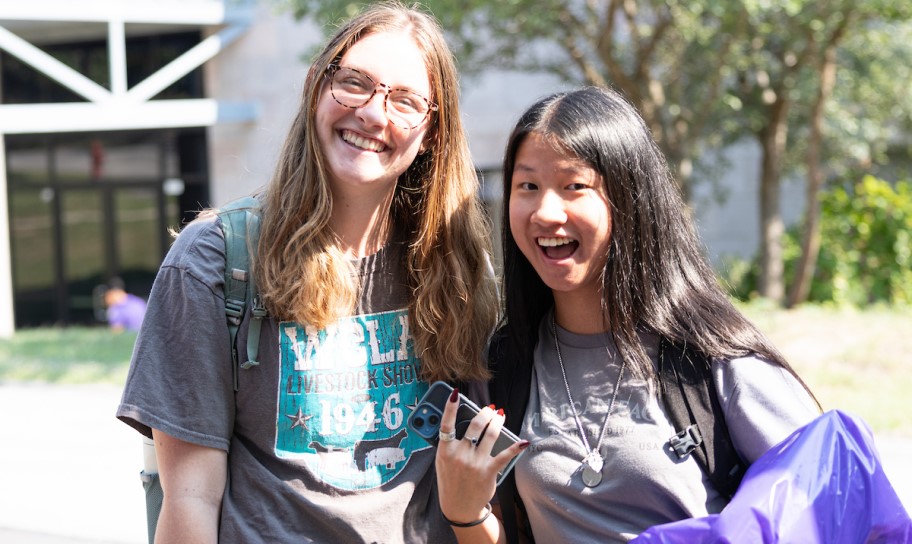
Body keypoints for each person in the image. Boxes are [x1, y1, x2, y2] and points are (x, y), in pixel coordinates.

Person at [116, 2, 498, 542]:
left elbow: (476, 478)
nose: (372, 112)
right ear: (318, 87)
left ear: (432, 131)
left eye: (405, 99)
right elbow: (190, 498)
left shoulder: (453, 266)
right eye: (354, 83)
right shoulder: (215, 260)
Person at [434, 86, 821, 543]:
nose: (546, 211)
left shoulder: (715, 358)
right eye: (528, 186)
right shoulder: (505, 365)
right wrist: (465, 514)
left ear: (630, 199)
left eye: (574, 186)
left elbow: (821, 507)